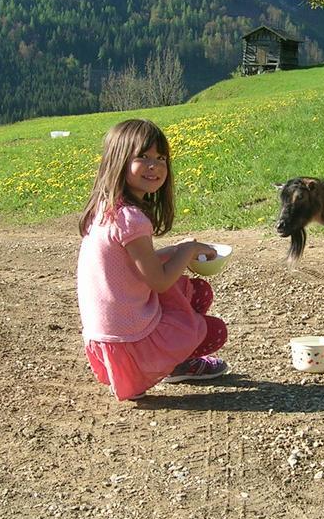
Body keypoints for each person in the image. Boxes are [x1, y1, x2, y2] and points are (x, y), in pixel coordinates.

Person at [76, 118, 228, 400]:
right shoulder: (131, 219)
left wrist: (177, 250)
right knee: (214, 331)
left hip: (105, 338)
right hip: (129, 343)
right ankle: (172, 364)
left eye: (161, 158)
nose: (154, 166)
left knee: (197, 293)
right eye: (143, 157)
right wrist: (186, 251)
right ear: (119, 161)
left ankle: (169, 363)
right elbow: (158, 282)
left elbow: (130, 264)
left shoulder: (105, 210)